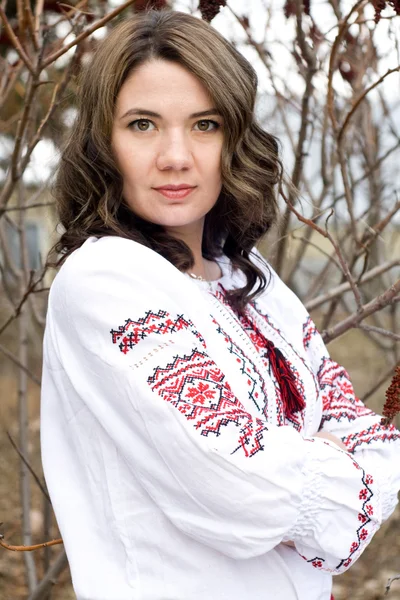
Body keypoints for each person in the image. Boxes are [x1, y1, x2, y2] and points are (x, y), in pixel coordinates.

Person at [40, 9, 400, 600]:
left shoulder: (248, 277)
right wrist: (326, 460)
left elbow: (366, 434)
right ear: (104, 143)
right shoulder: (105, 280)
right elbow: (245, 487)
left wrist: (314, 464)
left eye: (203, 124)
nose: (176, 156)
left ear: (234, 138)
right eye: (143, 125)